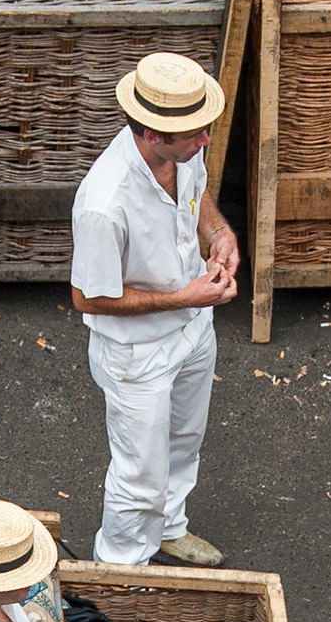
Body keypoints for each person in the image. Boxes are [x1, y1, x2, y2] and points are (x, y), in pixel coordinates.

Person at [71, 51, 239, 568]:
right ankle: (121, 569)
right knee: (139, 473)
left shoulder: (183, 150)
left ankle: (167, 529)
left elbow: (197, 193)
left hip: (194, 328)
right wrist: (186, 296)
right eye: (195, 134)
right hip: (137, 353)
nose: (206, 139)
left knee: (184, 442)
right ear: (150, 134)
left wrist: (218, 232)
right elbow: (88, 297)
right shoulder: (104, 203)